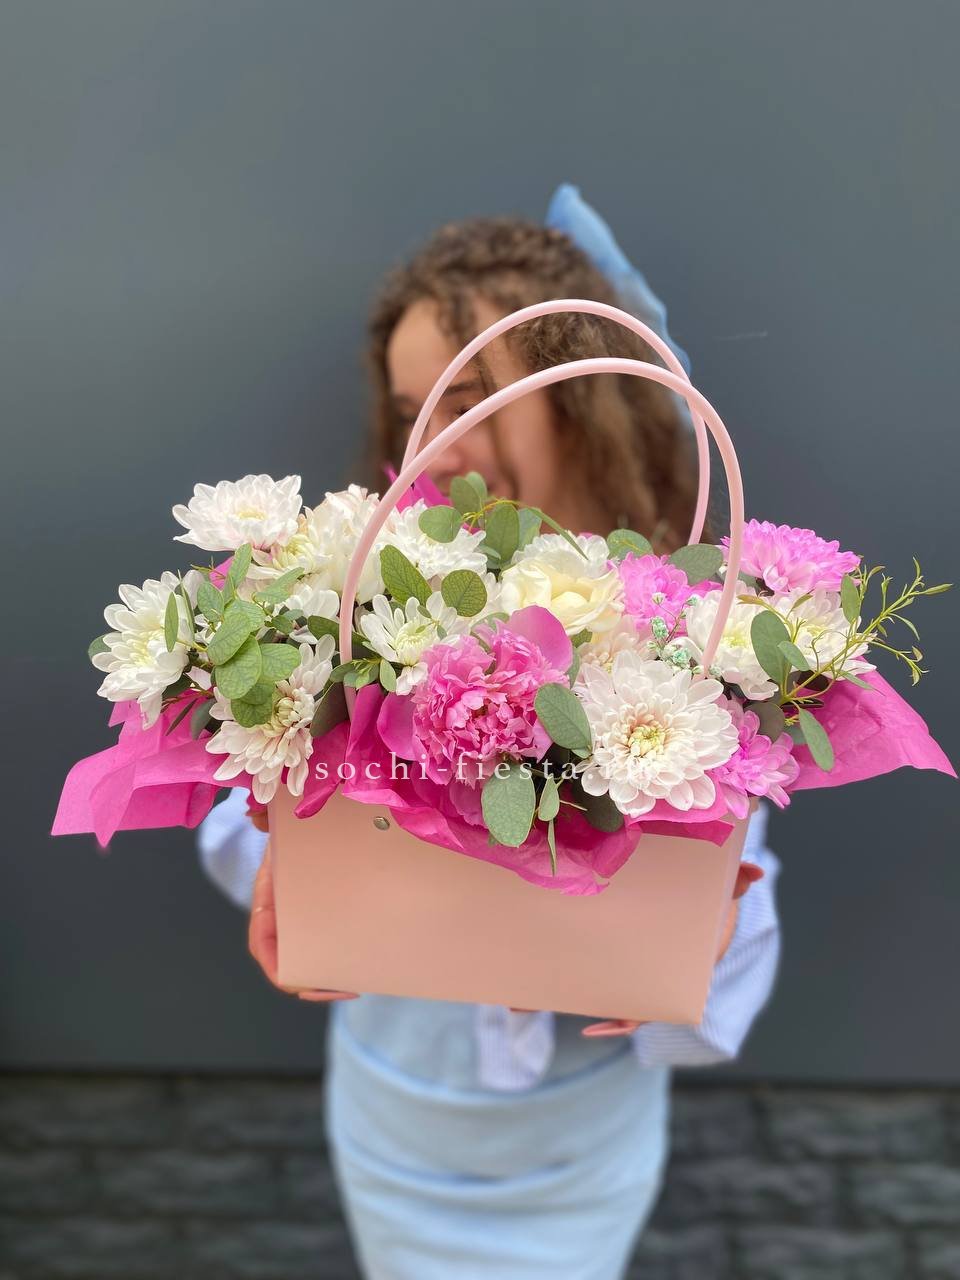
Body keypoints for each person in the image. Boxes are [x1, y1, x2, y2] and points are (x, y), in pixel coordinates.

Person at [197, 185, 781, 1280]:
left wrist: (701, 919)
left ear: (583, 399)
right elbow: (235, 824)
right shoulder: (365, 599)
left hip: (579, 1136)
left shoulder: (690, 629)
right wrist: (288, 840)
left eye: (470, 401)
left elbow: (735, 915)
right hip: (399, 1116)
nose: (436, 444)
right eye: (417, 408)